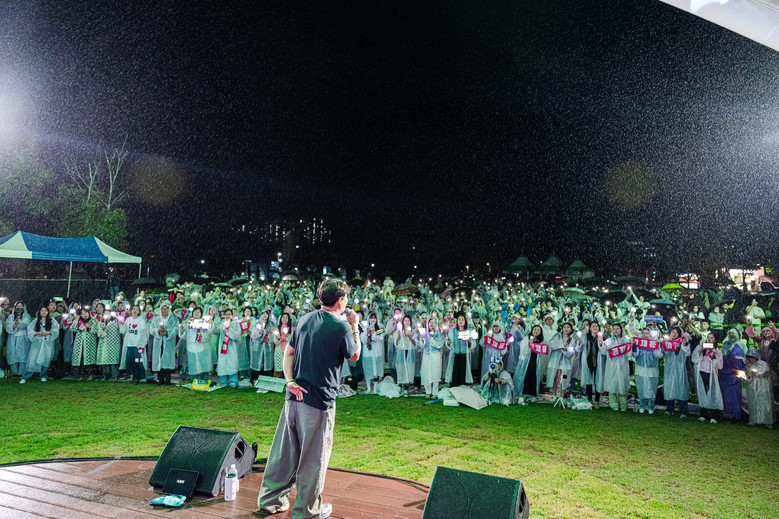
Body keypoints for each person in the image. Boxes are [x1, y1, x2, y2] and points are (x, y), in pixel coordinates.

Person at [257, 278, 360, 519]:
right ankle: (307, 511)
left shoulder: (304, 319)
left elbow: (288, 352)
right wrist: (354, 326)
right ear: (340, 301)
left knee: (284, 454)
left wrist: (289, 381)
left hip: (293, 397)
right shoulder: (341, 327)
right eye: (346, 298)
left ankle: (270, 500)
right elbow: (355, 355)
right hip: (318, 401)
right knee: (313, 458)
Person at [20, 306, 59, 383]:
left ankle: (43, 375)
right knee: (32, 358)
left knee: (46, 358)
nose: (44, 312)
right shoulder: (36, 321)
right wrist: (37, 333)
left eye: (45, 310)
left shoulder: (52, 321)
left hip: (48, 343)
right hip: (37, 343)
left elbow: (55, 330)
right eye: (42, 310)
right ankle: (26, 376)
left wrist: (48, 332)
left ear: (48, 312)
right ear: (39, 312)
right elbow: (30, 330)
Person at [691, 333, 724, 424]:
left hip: (711, 374)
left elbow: (719, 365)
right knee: (702, 392)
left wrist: (714, 353)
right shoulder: (700, 347)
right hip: (702, 372)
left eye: (711, 338)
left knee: (712, 393)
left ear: (715, 340)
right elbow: (694, 359)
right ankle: (703, 413)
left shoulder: (717, 351)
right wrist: (700, 351)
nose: (709, 340)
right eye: (708, 338)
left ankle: (713, 415)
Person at [743, 347, 774, 428]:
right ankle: (754, 419)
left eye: (752, 357)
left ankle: (767, 421)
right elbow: (747, 377)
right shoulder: (748, 365)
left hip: (762, 386)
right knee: (753, 402)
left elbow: (762, 372)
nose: (751, 359)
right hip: (752, 387)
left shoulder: (762, 363)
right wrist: (748, 373)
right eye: (749, 358)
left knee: (764, 402)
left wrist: (752, 370)